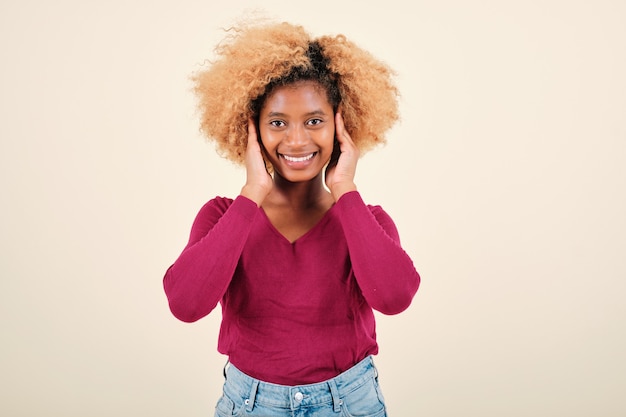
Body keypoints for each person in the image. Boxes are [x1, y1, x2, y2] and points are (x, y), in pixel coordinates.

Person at [163, 19, 420, 417]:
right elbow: (186, 304)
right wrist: (252, 192)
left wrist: (345, 187)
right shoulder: (221, 217)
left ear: (341, 125)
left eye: (314, 121)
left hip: (350, 403)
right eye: (278, 122)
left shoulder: (366, 220)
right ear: (251, 129)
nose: (297, 140)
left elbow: (394, 298)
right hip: (249, 405)